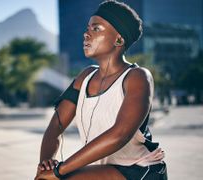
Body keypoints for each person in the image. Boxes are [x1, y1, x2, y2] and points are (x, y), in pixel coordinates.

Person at [35, 0, 168, 179]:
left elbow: (119, 134)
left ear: (119, 39)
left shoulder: (137, 77)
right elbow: (55, 126)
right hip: (103, 170)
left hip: (137, 169)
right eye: (87, 28)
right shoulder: (85, 77)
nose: (86, 34)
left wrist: (59, 171)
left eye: (96, 29)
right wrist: (45, 166)